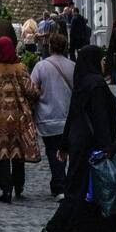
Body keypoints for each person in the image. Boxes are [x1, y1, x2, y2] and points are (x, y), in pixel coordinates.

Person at [36, 46, 116, 232]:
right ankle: (51, 231)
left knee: (101, 193)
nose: (103, 62)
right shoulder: (96, 85)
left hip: (79, 144)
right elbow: (99, 118)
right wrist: (108, 147)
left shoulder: (82, 83)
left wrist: (64, 146)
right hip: (92, 147)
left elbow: (72, 115)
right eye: (100, 59)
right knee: (81, 193)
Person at [0, 36, 40, 200]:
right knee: (18, 152)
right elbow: (30, 91)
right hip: (19, 117)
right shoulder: (21, 68)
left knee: (1, 153)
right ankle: (19, 186)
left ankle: (6, 189)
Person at [30, 30, 76, 197]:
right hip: (67, 117)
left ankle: (59, 184)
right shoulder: (73, 66)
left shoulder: (41, 66)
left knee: (53, 152)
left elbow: (32, 90)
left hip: (47, 118)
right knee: (67, 151)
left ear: (49, 47)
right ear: (65, 47)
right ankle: (62, 182)